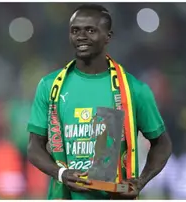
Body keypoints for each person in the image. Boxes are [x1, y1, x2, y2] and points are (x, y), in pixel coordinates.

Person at [27, 3, 172, 200]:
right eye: (75, 30)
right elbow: (34, 146)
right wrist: (61, 173)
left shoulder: (133, 89)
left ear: (108, 37)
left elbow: (162, 144)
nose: (81, 36)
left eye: (90, 30)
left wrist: (140, 181)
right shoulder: (50, 86)